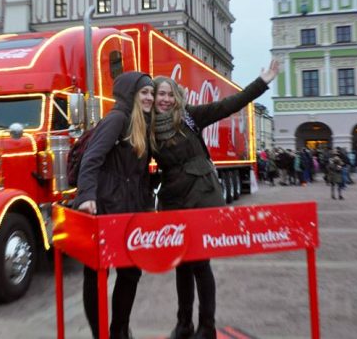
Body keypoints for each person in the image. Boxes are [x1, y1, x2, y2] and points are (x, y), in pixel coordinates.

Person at [151, 59, 278, 339]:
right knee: (181, 265)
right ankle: (184, 324)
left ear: (177, 98)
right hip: (173, 200)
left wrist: (262, 82)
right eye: (161, 94)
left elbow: (229, 105)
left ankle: (206, 326)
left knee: (200, 263)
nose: (165, 99)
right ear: (153, 96)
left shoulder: (189, 116)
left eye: (170, 94)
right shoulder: (147, 128)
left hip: (201, 196)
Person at [74, 71, 154, 339]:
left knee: (131, 272)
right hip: (105, 208)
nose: (150, 97)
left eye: (152, 93)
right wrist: (86, 196)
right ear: (131, 94)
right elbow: (92, 159)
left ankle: (119, 329)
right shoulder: (117, 118)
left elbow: (138, 174)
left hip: (131, 212)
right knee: (96, 274)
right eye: (145, 92)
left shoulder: (140, 122)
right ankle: (100, 334)